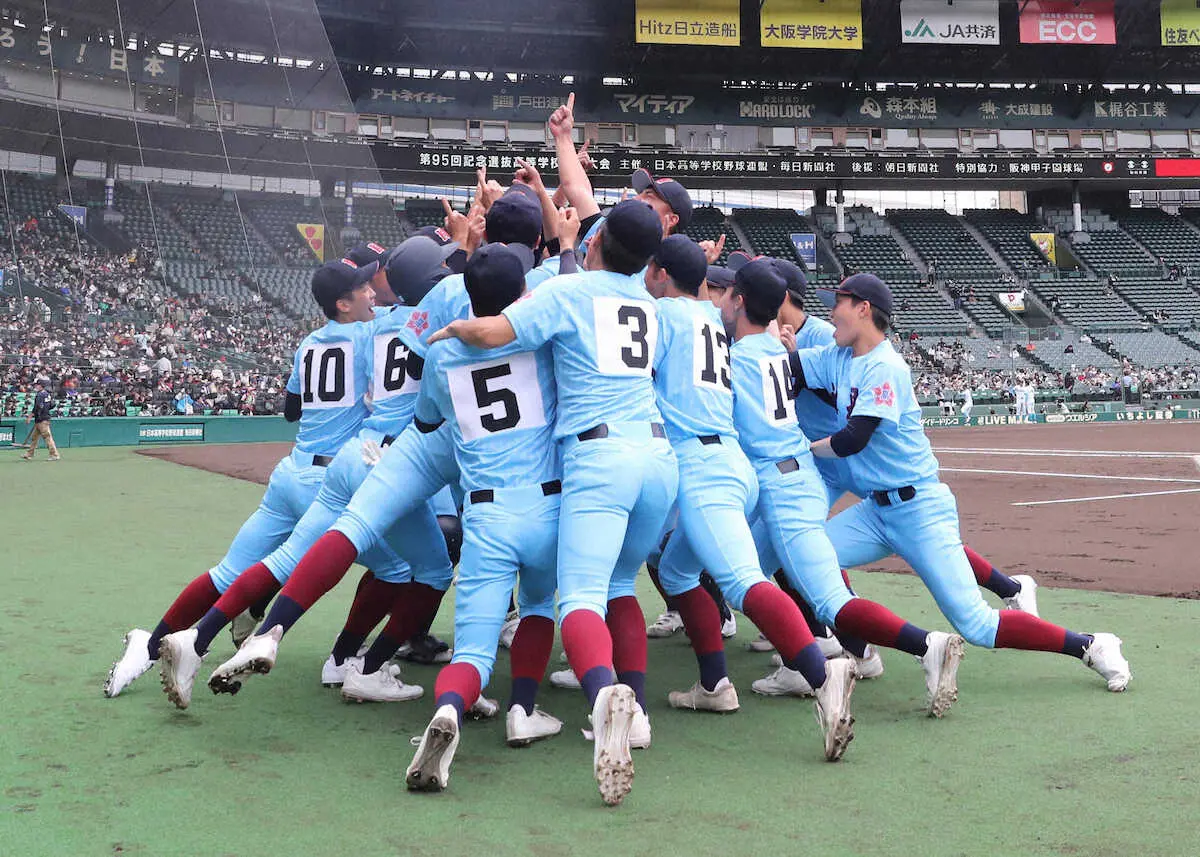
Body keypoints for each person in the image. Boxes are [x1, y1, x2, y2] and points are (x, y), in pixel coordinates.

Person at [429, 198, 679, 807]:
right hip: (657, 457)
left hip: (597, 461)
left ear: (595, 243)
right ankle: (636, 712)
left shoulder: (569, 295)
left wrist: (455, 329)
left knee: (581, 600)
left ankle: (604, 697)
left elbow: (493, 331)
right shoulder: (651, 302)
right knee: (623, 585)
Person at [788, 273, 1131, 695]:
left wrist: (800, 449)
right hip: (875, 512)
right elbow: (789, 369)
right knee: (805, 556)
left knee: (977, 624)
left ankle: (1090, 646)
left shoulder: (885, 365)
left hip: (918, 510)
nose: (829, 312)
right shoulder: (839, 357)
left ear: (862, 308)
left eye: (836, 303)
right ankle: (869, 648)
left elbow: (851, 439)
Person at [103, 257, 379, 701]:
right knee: (401, 570)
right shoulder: (369, 333)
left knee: (227, 571)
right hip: (326, 484)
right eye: (364, 288)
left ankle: (150, 643)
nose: (372, 293)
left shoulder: (309, 343)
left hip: (290, 472)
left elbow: (292, 410)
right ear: (343, 303)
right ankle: (346, 658)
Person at [405, 244, 563, 792]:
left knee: (471, 649)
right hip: (548, 503)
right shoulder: (538, 337)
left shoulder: (442, 352)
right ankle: (523, 710)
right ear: (520, 294)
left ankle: (449, 708)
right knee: (540, 606)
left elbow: (426, 423)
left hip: (485, 512)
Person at [21, 380, 60, 461]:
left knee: (47, 437)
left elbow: (37, 407)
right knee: (34, 438)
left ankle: (54, 455)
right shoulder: (47, 394)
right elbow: (52, 405)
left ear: (41, 386)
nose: (35, 386)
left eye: (37, 385)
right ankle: (29, 454)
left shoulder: (40, 395)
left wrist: (30, 416)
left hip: (42, 420)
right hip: (42, 418)